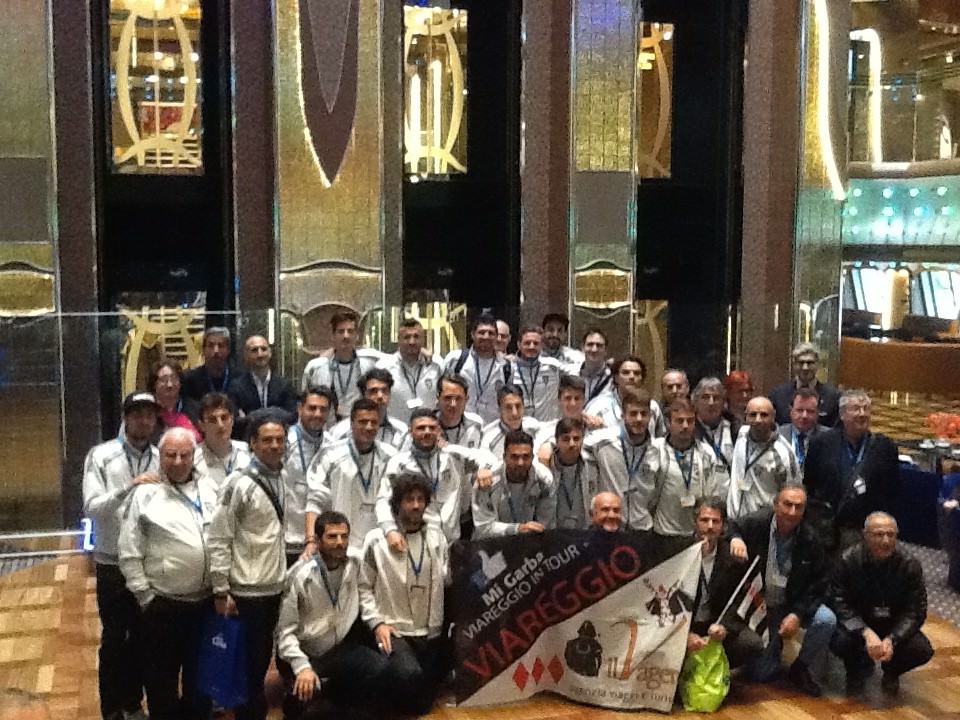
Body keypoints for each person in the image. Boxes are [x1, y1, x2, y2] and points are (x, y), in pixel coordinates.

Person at [118, 427, 216, 720]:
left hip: (206, 604)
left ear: (193, 456)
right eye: (170, 455)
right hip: (164, 605)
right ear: (160, 457)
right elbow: (129, 551)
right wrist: (146, 598)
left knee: (200, 684)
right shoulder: (145, 495)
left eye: (184, 455)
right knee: (161, 683)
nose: (177, 461)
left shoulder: (210, 491)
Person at [82, 391, 161, 720]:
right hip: (112, 561)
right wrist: (129, 487)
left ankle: (134, 703)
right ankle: (112, 709)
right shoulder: (102, 456)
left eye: (149, 415)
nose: (143, 420)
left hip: (149, 563)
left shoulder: (162, 456)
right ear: (125, 417)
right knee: (115, 639)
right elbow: (92, 508)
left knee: (145, 638)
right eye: (137, 414)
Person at [208, 411, 289, 720]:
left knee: (258, 662)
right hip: (247, 590)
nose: (274, 446)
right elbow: (219, 537)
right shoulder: (237, 484)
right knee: (247, 669)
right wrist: (220, 588)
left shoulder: (280, 477)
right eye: (267, 440)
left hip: (273, 587)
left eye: (280, 440)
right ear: (252, 444)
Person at [276, 511, 387, 718]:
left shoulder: (355, 563)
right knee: (304, 709)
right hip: (305, 652)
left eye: (344, 536)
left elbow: (364, 594)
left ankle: (336, 697)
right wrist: (302, 667)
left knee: (379, 668)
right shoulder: (300, 576)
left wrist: (377, 623)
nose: (340, 542)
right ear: (317, 541)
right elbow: (284, 633)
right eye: (332, 536)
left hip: (338, 648)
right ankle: (299, 695)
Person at [728, 485, 836, 696]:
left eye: (799, 507)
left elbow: (820, 584)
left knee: (826, 619)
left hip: (790, 603)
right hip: (760, 602)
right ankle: (771, 650)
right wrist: (736, 538)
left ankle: (801, 668)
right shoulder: (757, 523)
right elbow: (730, 526)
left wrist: (798, 614)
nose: (792, 512)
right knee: (762, 673)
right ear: (776, 504)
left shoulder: (812, 539)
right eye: (787, 505)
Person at [359, 473, 449, 716]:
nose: (417, 505)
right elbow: (363, 588)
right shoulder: (376, 540)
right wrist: (377, 622)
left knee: (421, 705)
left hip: (429, 633)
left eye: (421, 499)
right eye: (410, 499)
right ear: (398, 503)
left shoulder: (437, 537)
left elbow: (446, 578)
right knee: (407, 676)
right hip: (394, 631)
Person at [829, 512, 933, 695]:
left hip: (892, 624)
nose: (885, 541)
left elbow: (915, 610)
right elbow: (839, 603)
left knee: (921, 650)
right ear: (865, 535)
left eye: (891, 535)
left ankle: (891, 671)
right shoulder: (847, 561)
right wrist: (864, 632)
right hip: (858, 623)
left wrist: (893, 638)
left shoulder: (910, 564)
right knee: (838, 640)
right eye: (879, 534)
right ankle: (856, 669)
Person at [378, 407, 494, 545]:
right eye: (421, 428)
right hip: (415, 542)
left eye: (432, 428)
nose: (427, 432)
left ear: (438, 431)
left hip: (452, 543)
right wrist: (390, 529)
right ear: (410, 431)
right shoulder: (398, 464)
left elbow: (487, 457)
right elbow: (382, 500)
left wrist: (484, 469)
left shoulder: (453, 456)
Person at [803, 389, 898, 552]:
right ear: (842, 414)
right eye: (855, 409)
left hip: (867, 530)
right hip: (829, 530)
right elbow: (810, 484)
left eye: (866, 409)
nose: (862, 414)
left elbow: (892, 491)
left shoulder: (884, 447)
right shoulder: (821, 443)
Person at [306, 399, 397, 551]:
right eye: (362, 421)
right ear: (351, 423)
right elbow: (315, 502)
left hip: (379, 544)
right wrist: (310, 542)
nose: (368, 427)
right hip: (338, 545)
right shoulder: (330, 455)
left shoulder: (391, 457)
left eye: (373, 422)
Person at [685, 498, 760, 671]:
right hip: (686, 626)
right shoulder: (679, 553)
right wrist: (685, 634)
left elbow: (739, 599)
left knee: (752, 643)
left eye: (715, 521)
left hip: (715, 624)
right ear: (695, 523)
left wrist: (724, 627)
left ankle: (717, 670)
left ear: (723, 526)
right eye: (704, 520)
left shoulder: (733, 558)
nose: (710, 526)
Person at [646, 398, 719, 557]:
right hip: (662, 533)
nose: (685, 426)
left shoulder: (706, 453)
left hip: (694, 534)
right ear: (667, 422)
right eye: (679, 421)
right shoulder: (655, 449)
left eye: (690, 421)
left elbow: (711, 494)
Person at [582, 388, 654, 533]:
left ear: (650, 416)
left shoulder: (657, 449)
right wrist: (549, 444)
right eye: (633, 414)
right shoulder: (601, 441)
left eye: (643, 414)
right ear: (622, 415)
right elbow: (572, 444)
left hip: (642, 528)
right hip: (609, 525)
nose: (639, 419)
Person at [282, 386, 335, 566]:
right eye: (312, 408)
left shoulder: (333, 446)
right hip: (289, 537)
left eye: (323, 409)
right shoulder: (283, 442)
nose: (317, 414)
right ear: (299, 409)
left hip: (323, 540)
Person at [301, 310, 385, 421]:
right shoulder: (316, 368)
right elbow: (304, 401)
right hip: (327, 427)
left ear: (357, 336)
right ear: (333, 336)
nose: (346, 336)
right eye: (341, 331)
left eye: (350, 331)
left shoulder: (370, 364)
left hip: (360, 425)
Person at [473, 430, 557, 538]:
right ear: (504, 457)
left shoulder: (544, 480)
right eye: (514, 457)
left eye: (526, 457)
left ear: (532, 457)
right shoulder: (486, 481)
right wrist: (517, 529)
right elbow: (483, 527)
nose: (520, 463)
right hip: (491, 545)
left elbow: (545, 524)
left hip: (530, 542)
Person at [727, 396, 798, 519]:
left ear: (773, 417)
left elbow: (792, 494)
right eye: (753, 415)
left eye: (764, 415)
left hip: (762, 523)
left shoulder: (783, 453)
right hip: (734, 520)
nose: (758, 420)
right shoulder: (742, 434)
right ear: (746, 417)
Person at [443, 313, 511, 423]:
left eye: (491, 333)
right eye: (481, 332)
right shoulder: (456, 360)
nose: (486, 336)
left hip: (492, 427)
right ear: (472, 334)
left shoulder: (506, 367)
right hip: (461, 426)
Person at [228, 335, 298, 437]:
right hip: (248, 444)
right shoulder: (236, 386)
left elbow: (292, 416)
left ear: (270, 353)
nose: (260, 354)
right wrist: (276, 411)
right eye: (254, 350)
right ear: (246, 355)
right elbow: (235, 421)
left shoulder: (284, 384)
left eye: (264, 349)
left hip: (279, 442)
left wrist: (252, 416)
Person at [377, 318, 443, 420]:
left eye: (416, 337)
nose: (412, 342)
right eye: (406, 337)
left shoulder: (437, 365)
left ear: (423, 339)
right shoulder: (383, 367)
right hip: (397, 431)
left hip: (428, 430)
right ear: (398, 340)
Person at [327, 368, 408, 449]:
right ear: (363, 395)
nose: (380, 396)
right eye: (373, 391)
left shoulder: (401, 430)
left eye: (384, 390)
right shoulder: (341, 430)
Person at [585, 355, 664, 438]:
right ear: (616, 378)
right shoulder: (598, 406)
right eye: (626, 373)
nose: (632, 377)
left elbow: (660, 441)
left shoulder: (653, 407)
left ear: (642, 379)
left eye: (637, 373)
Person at [769, 342, 840, 428]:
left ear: (818, 364)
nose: (805, 368)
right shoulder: (778, 395)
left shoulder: (833, 396)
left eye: (810, 363)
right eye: (801, 363)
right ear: (794, 364)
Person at [192, 392, 251, 495]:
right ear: (201, 425)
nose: (220, 425)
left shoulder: (247, 452)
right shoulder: (193, 459)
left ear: (232, 420)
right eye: (212, 420)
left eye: (224, 418)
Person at [510, 325, 564, 421]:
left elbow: (579, 373)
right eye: (527, 343)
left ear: (541, 345)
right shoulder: (508, 368)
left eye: (536, 343)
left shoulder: (553, 366)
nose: (532, 347)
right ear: (519, 345)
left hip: (546, 429)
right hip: (519, 428)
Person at [547, 418, 591, 529]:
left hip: (585, 532)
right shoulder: (546, 467)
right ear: (556, 441)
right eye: (566, 439)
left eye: (576, 439)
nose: (572, 444)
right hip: (554, 534)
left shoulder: (593, 465)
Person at [693, 377, 734, 490]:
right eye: (705, 397)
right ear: (695, 402)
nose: (711, 403)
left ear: (724, 403)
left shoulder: (734, 429)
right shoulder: (688, 430)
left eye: (716, 398)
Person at [480, 384, 541, 459]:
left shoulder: (534, 426)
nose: (514, 413)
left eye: (518, 406)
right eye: (508, 407)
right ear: (499, 410)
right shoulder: (489, 437)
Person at [148, 358, 201, 443]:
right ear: (154, 384)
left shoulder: (196, 409)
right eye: (163, 380)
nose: (170, 385)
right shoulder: (147, 411)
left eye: (174, 378)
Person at [777, 387, 827, 474]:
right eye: (799, 410)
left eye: (810, 411)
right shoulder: (778, 435)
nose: (804, 416)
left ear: (818, 412)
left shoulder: (829, 438)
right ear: (791, 410)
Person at [181, 326, 234, 400]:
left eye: (221, 346)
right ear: (203, 350)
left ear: (228, 350)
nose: (216, 351)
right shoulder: (189, 380)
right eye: (211, 346)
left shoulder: (238, 380)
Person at [434, 372, 484, 448]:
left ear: (466, 399)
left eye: (458, 398)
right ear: (438, 397)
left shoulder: (476, 425)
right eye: (448, 398)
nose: (453, 404)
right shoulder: (426, 427)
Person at [578, 328, 614, 405]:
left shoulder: (614, 379)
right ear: (582, 348)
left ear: (606, 350)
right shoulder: (573, 374)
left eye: (599, 345)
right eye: (590, 344)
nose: (594, 349)